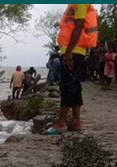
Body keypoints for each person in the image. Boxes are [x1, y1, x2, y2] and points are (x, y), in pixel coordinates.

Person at [46, 4, 98, 134]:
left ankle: (61, 122)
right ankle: (76, 121)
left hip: (73, 50)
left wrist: (68, 52)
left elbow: (79, 25)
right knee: (74, 86)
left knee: (67, 85)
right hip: (73, 50)